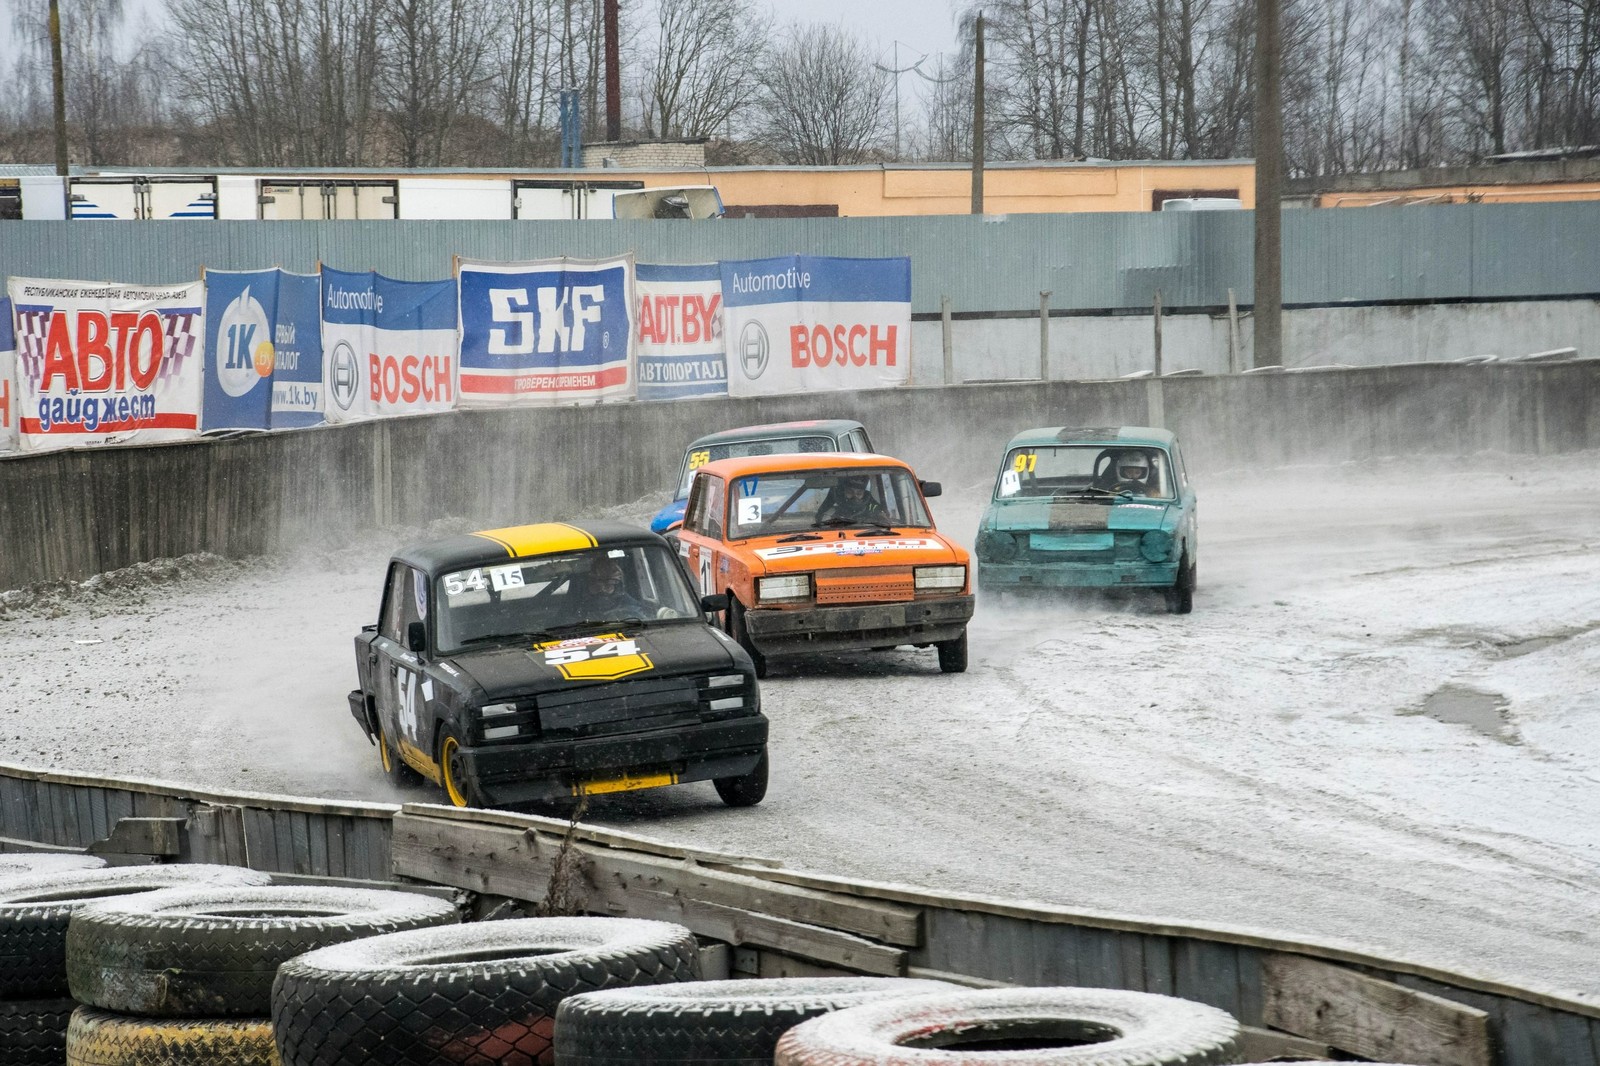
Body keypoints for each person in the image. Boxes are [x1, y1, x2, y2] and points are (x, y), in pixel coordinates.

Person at [581, 555, 649, 617]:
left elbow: (642, 615)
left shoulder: (625, 600)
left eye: (609, 583)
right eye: (599, 581)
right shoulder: (585, 607)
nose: (603, 588)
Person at [818, 475, 891, 526]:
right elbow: (823, 527)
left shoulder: (873, 508)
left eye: (859, 493)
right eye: (849, 492)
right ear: (844, 493)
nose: (854, 497)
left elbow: (885, 525)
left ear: (864, 494)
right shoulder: (831, 512)